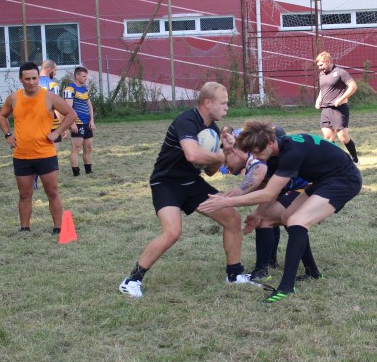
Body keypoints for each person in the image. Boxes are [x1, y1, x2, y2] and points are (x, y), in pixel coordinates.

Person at [199, 121, 362, 303]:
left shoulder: (290, 152)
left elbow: (267, 193)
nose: (257, 157)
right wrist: (258, 215)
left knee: (298, 221)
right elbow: (273, 189)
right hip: (324, 180)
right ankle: (312, 272)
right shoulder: (275, 153)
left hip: (344, 180)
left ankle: (287, 287)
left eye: (258, 152)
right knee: (286, 217)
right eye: (252, 153)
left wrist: (226, 201)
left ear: (270, 142)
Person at [119, 82, 252, 299]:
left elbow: (209, 171)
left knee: (233, 218)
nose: (227, 107)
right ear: (208, 103)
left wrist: (225, 152)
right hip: (166, 183)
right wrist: (220, 155)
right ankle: (131, 280)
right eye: (223, 103)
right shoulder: (187, 120)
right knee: (172, 232)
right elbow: (192, 155)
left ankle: (234, 274)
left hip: (191, 183)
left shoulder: (213, 130)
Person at [221, 126, 321, 283]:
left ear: (233, 152)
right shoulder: (255, 154)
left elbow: (259, 178)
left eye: (225, 161)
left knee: (266, 219)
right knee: (288, 222)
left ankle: (262, 269)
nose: (226, 167)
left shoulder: (254, 157)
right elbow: (267, 189)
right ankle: (309, 270)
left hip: (305, 187)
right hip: (299, 186)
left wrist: (235, 195)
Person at [0, 62, 78, 234]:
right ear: (21, 79)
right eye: (27, 79)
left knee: (52, 191)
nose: (32, 82)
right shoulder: (14, 98)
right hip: (22, 155)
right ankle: (24, 229)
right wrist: (8, 135)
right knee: (25, 195)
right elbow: (2, 116)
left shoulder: (48, 97)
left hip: (45, 154)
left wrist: (57, 132)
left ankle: (58, 228)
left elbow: (71, 114)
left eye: (34, 78)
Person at [314, 51, 359, 163]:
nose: (320, 68)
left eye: (321, 65)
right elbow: (323, 89)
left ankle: (355, 159)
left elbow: (353, 86)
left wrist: (341, 98)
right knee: (328, 138)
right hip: (326, 110)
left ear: (327, 61)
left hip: (339, 110)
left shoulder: (340, 72)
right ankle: (333, 162)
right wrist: (319, 99)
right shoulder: (322, 75)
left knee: (343, 137)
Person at [64, 66, 95, 176]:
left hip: (87, 123)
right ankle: (76, 173)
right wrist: (72, 123)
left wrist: (92, 121)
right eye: (84, 76)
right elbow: (68, 108)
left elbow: (89, 106)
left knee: (88, 147)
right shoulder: (70, 89)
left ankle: (88, 170)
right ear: (77, 76)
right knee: (76, 148)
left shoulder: (86, 89)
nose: (86, 78)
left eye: (86, 76)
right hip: (78, 123)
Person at [39, 59, 66, 153]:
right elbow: (57, 106)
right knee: (52, 156)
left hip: (35, 124)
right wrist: (62, 126)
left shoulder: (32, 83)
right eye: (55, 70)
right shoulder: (52, 84)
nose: (55, 74)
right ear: (49, 69)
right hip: (51, 124)